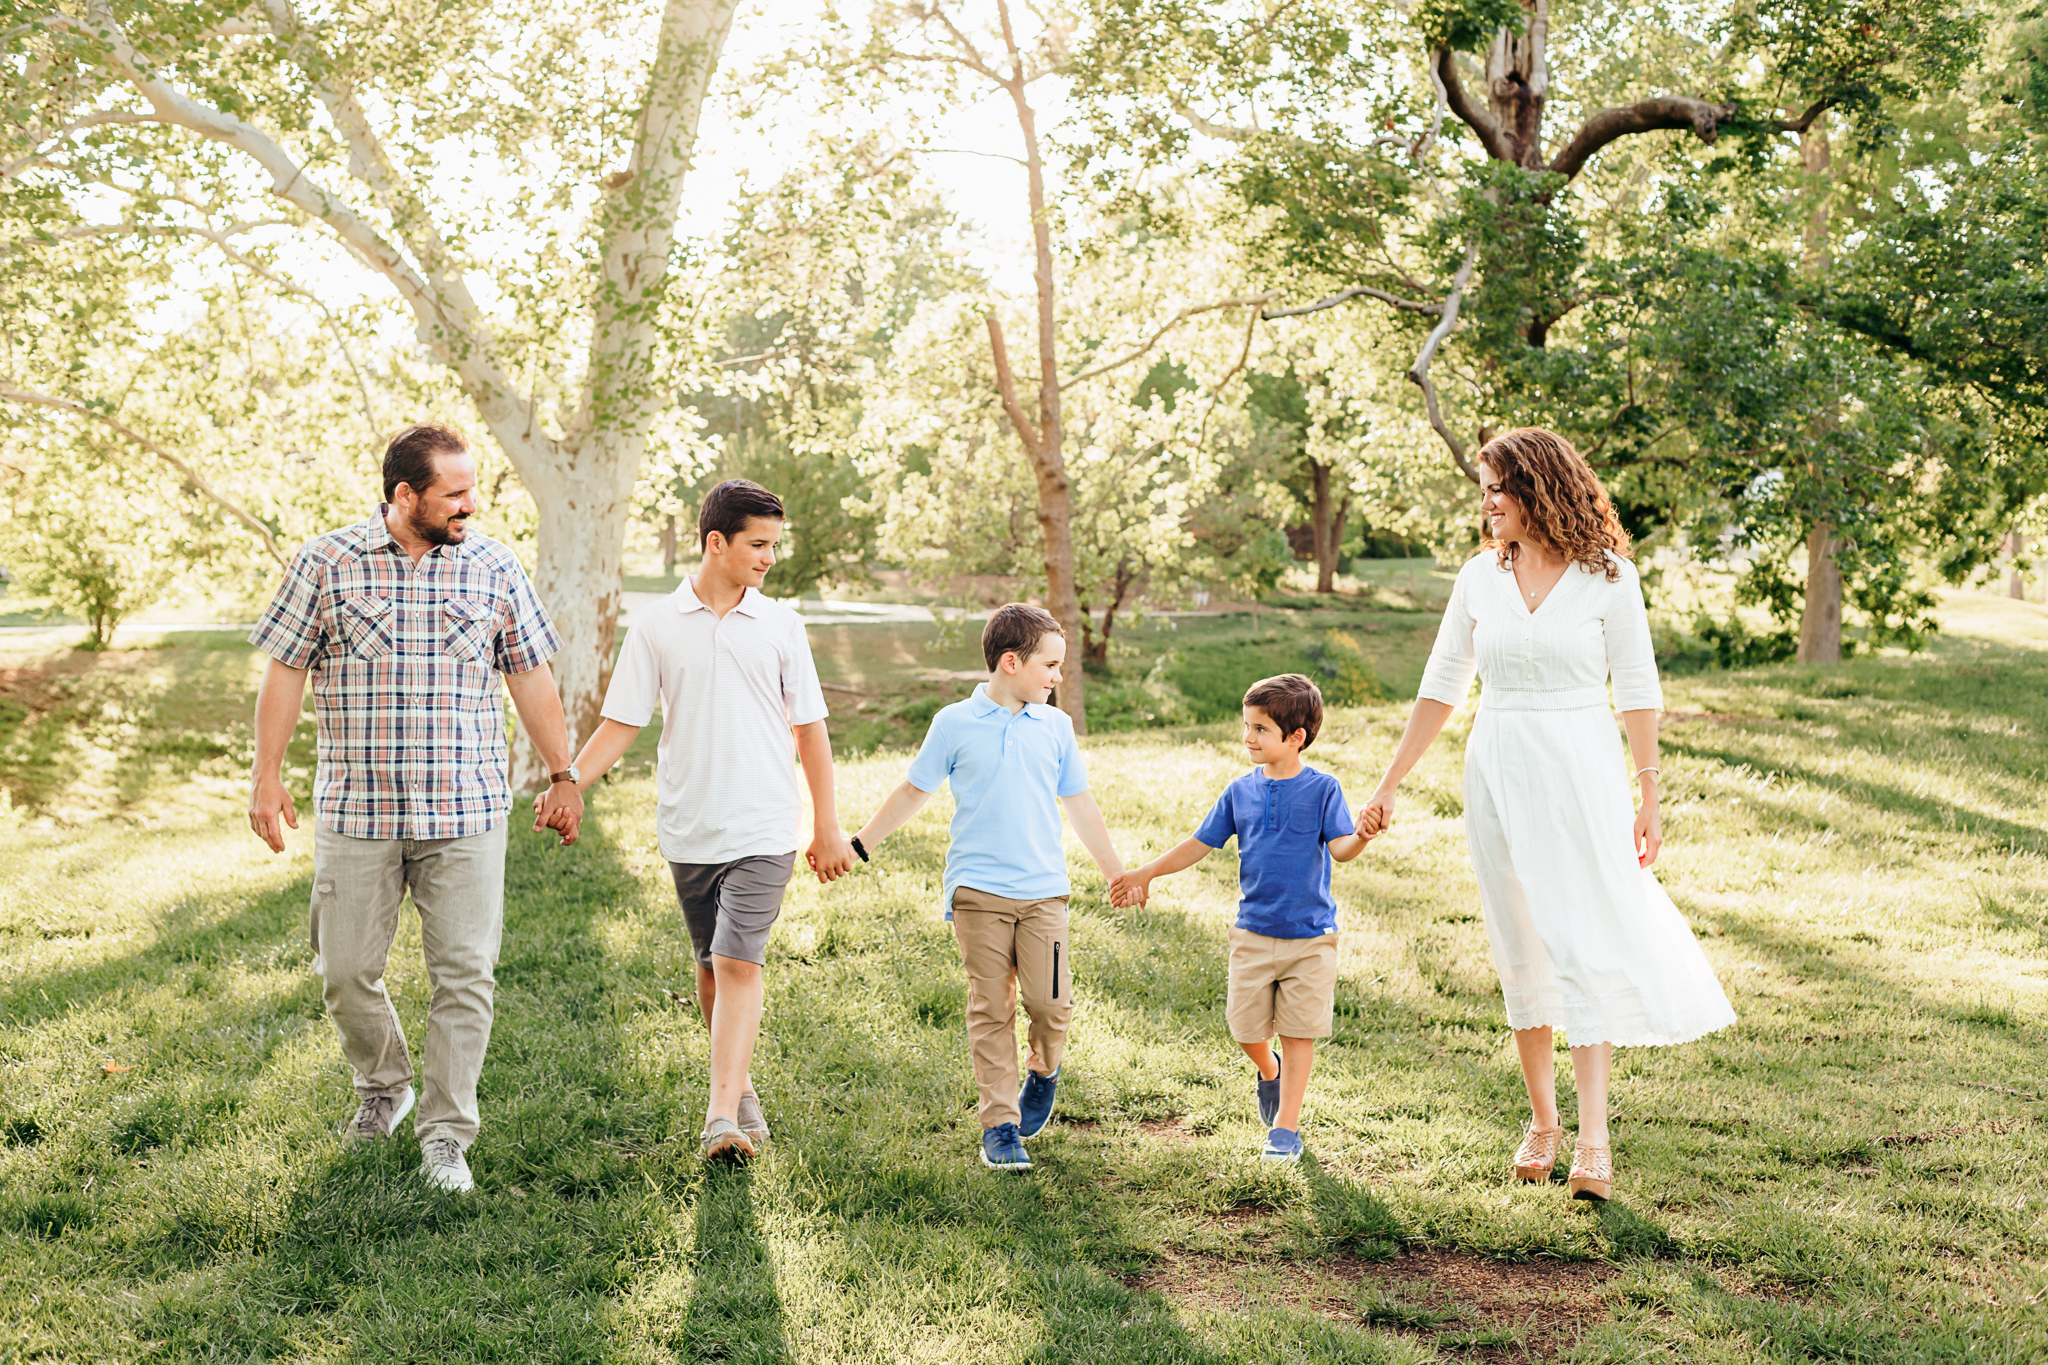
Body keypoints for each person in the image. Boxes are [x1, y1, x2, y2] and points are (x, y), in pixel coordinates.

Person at [1354, 427, 1735, 1200]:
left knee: (1582, 939)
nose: (1487, 503)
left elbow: (1636, 688)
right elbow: (1441, 685)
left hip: (1580, 767)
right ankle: (1543, 1120)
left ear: (1539, 489)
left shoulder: (1608, 577)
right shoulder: (1478, 579)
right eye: (1484, 489)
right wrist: (1390, 780)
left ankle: (1594, 1139)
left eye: (1499, 488)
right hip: (1497, 763)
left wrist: (1649, 793)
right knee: (1520, 940)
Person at [246, 421, 583, 1195]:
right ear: (405, 495)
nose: (471, 506)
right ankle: (383, 1083)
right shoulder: (326, 561)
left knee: (465, 973)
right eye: (454, 494)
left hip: (465, 811)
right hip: (357, 809)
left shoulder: (494, 566)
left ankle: (446, 1135)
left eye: (473, 490)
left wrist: (563, 773)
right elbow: (285, 671)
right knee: (345, 969)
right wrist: (267, 774)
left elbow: (531, 676)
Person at [551, 479, 854, 1162]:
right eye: (758, 543)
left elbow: (810, 731)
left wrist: (825, 825)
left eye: (774, 544)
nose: (770, 557)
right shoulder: (657, 625)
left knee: (736, 956)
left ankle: (720, 1115)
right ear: (716, 542)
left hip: (765, 825)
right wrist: (569, 780)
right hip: (690, 826)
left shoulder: (781, 625)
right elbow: (621, 722)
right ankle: (738, 1086)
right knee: (710, 967)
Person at [849, 605, 1128, 1172]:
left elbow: (1078, 801)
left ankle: (1044, 1071)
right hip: (977, 891)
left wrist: (1114, 871)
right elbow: (912, 791)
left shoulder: (1055, 727)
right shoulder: (953, 723)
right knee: (990, 1006)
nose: (1056, 677)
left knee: (1051, 1004)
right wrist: (860, 844)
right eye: (1049, 666)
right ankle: (999, 1125)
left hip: (1044, 892)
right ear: (1011, 662)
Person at [1111, 674, 1367, 1162]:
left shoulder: (1323, 790)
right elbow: (1199, 843)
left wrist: (1364, 836)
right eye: (1246, 726)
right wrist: (1148, 872)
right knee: (1245, 1030)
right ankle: (1266, 1069)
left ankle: (1285, 1130)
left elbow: (1342, 849)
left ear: (1295, 738)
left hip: (1311, 939)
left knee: (1298, 1032)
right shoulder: (1240, 792)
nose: (1248, 737)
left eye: (1260, 729)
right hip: (1252, 933)